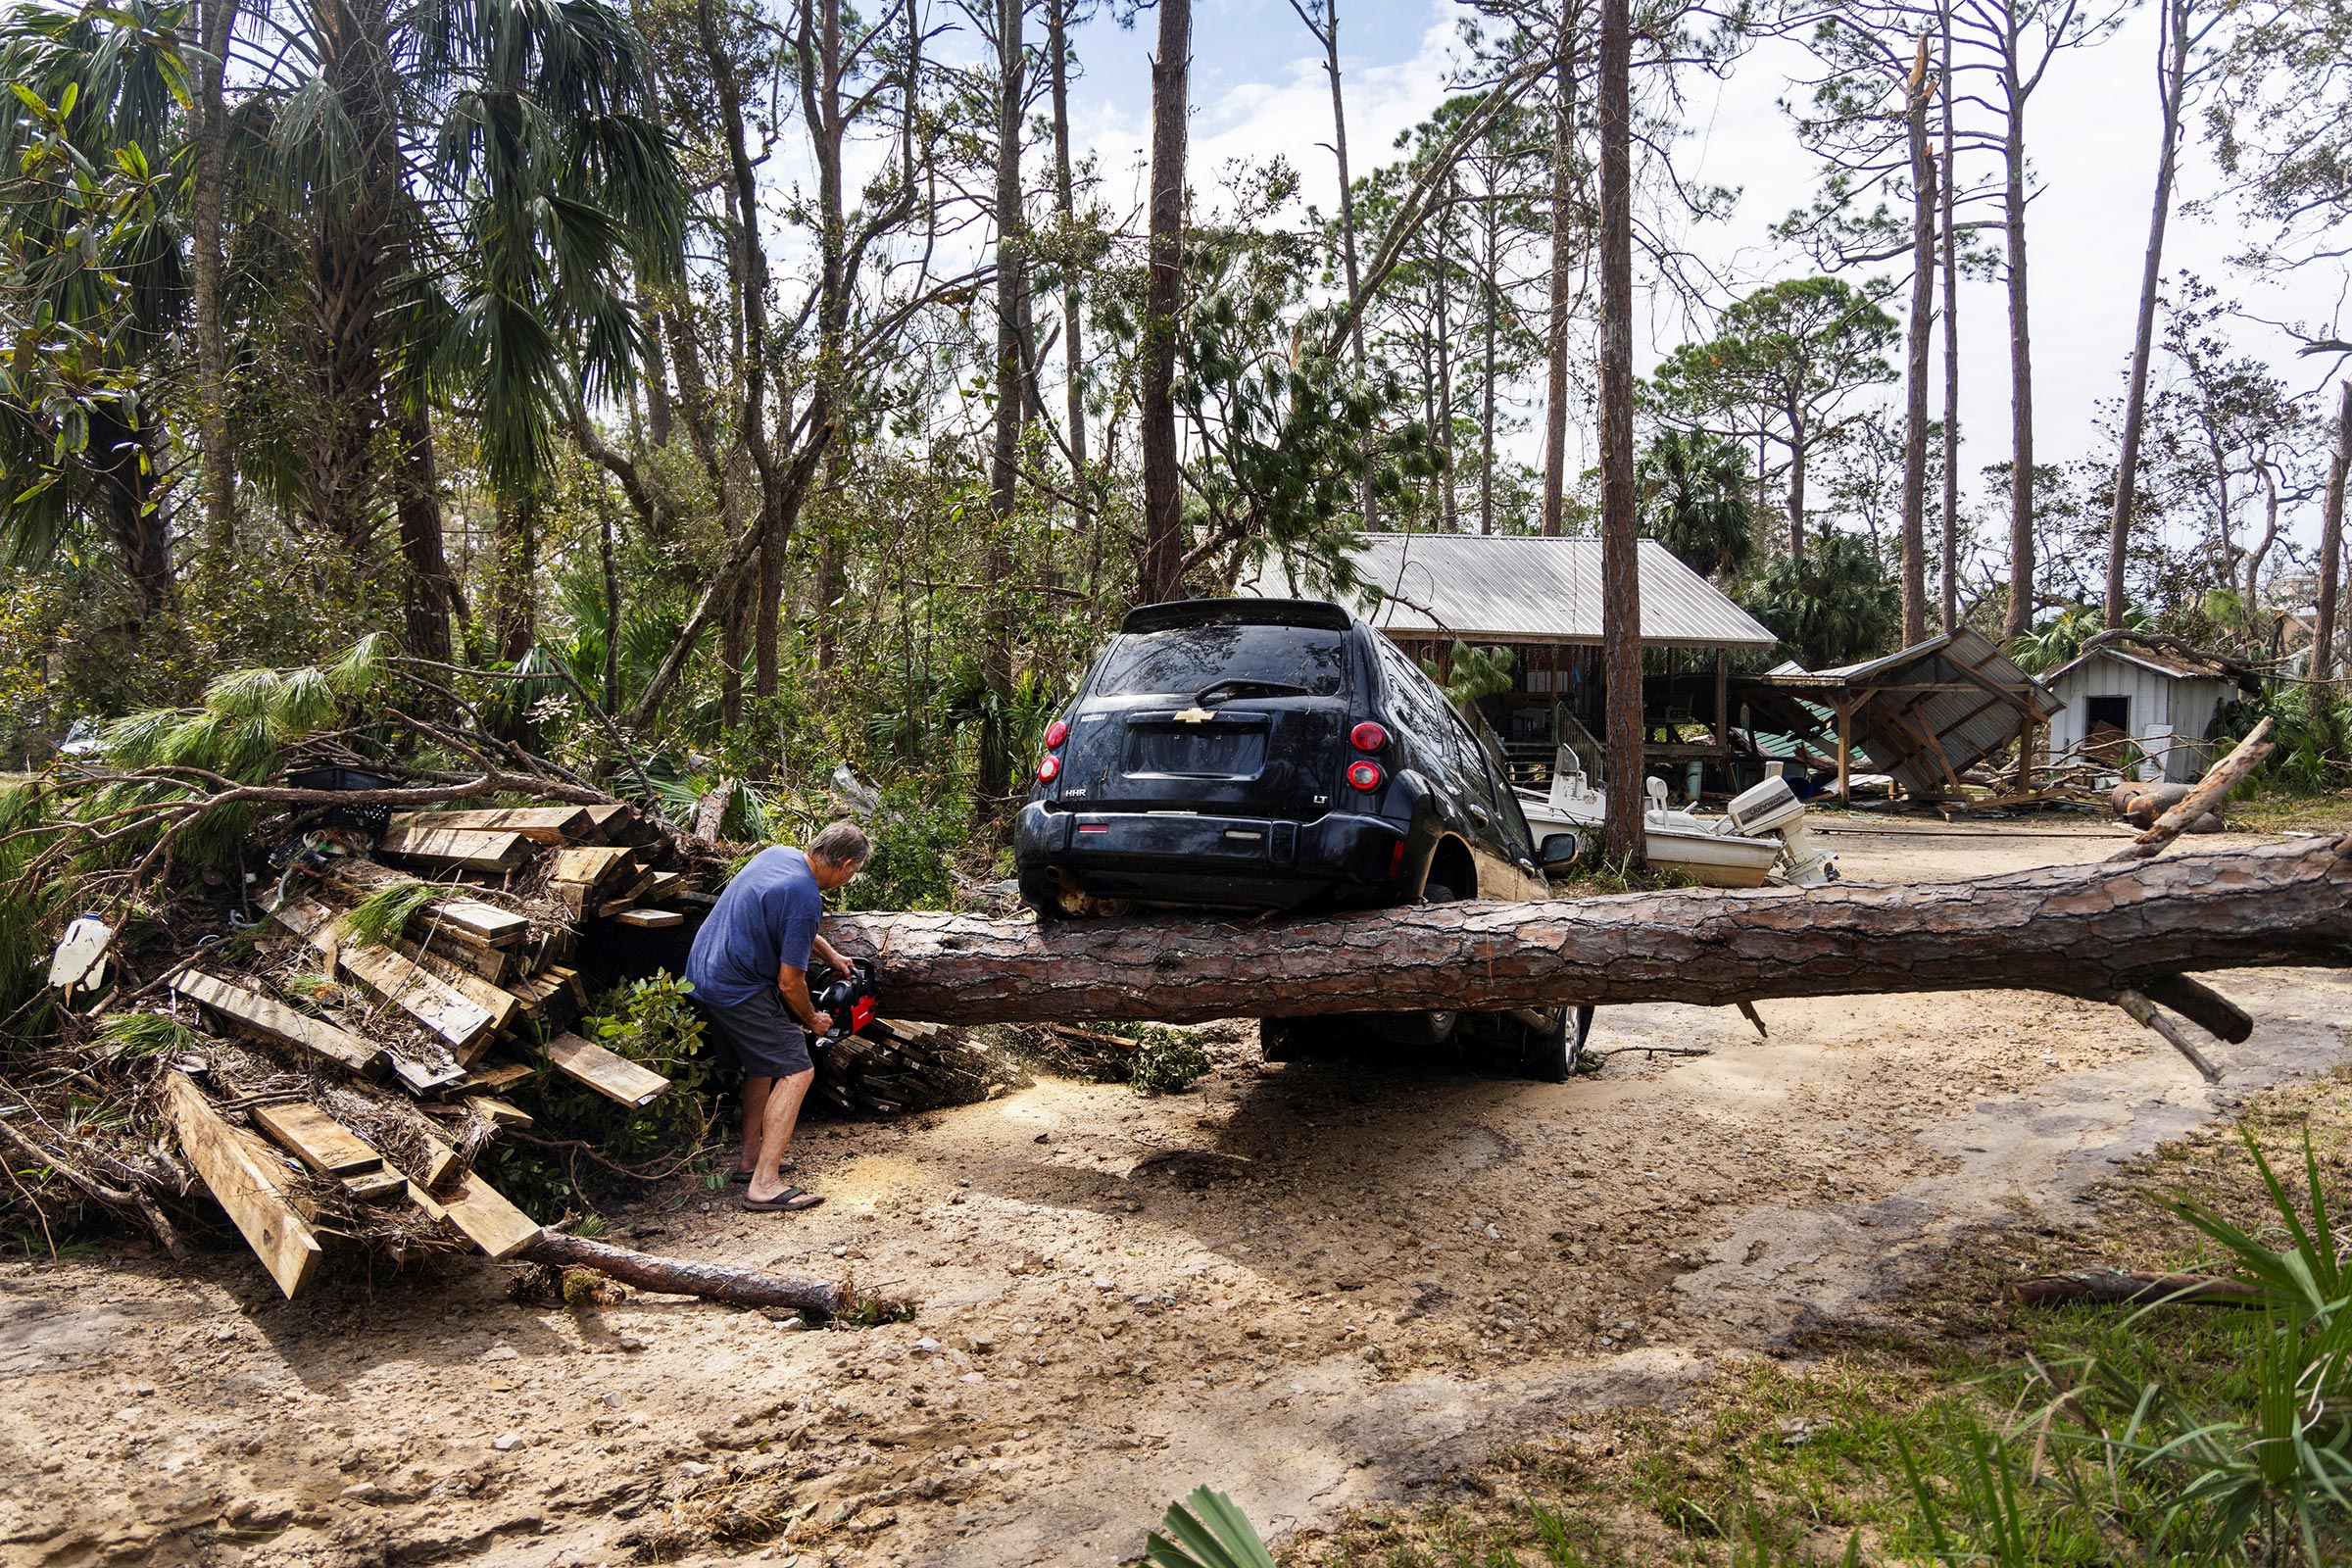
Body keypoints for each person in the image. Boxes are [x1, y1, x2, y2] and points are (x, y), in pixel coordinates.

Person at [684, 820, 870, 1212]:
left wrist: (830, 954)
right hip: (737, 986)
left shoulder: (779, 856)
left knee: (762, 1065)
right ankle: (764, 1184)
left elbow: (786, 920)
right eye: (853, 872)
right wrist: (813, 1020)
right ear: (846, 864)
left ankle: (750, 1159)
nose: (850, 878)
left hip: (703, 972)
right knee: (797, 1070)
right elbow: (789, 983)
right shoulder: (806, 896)